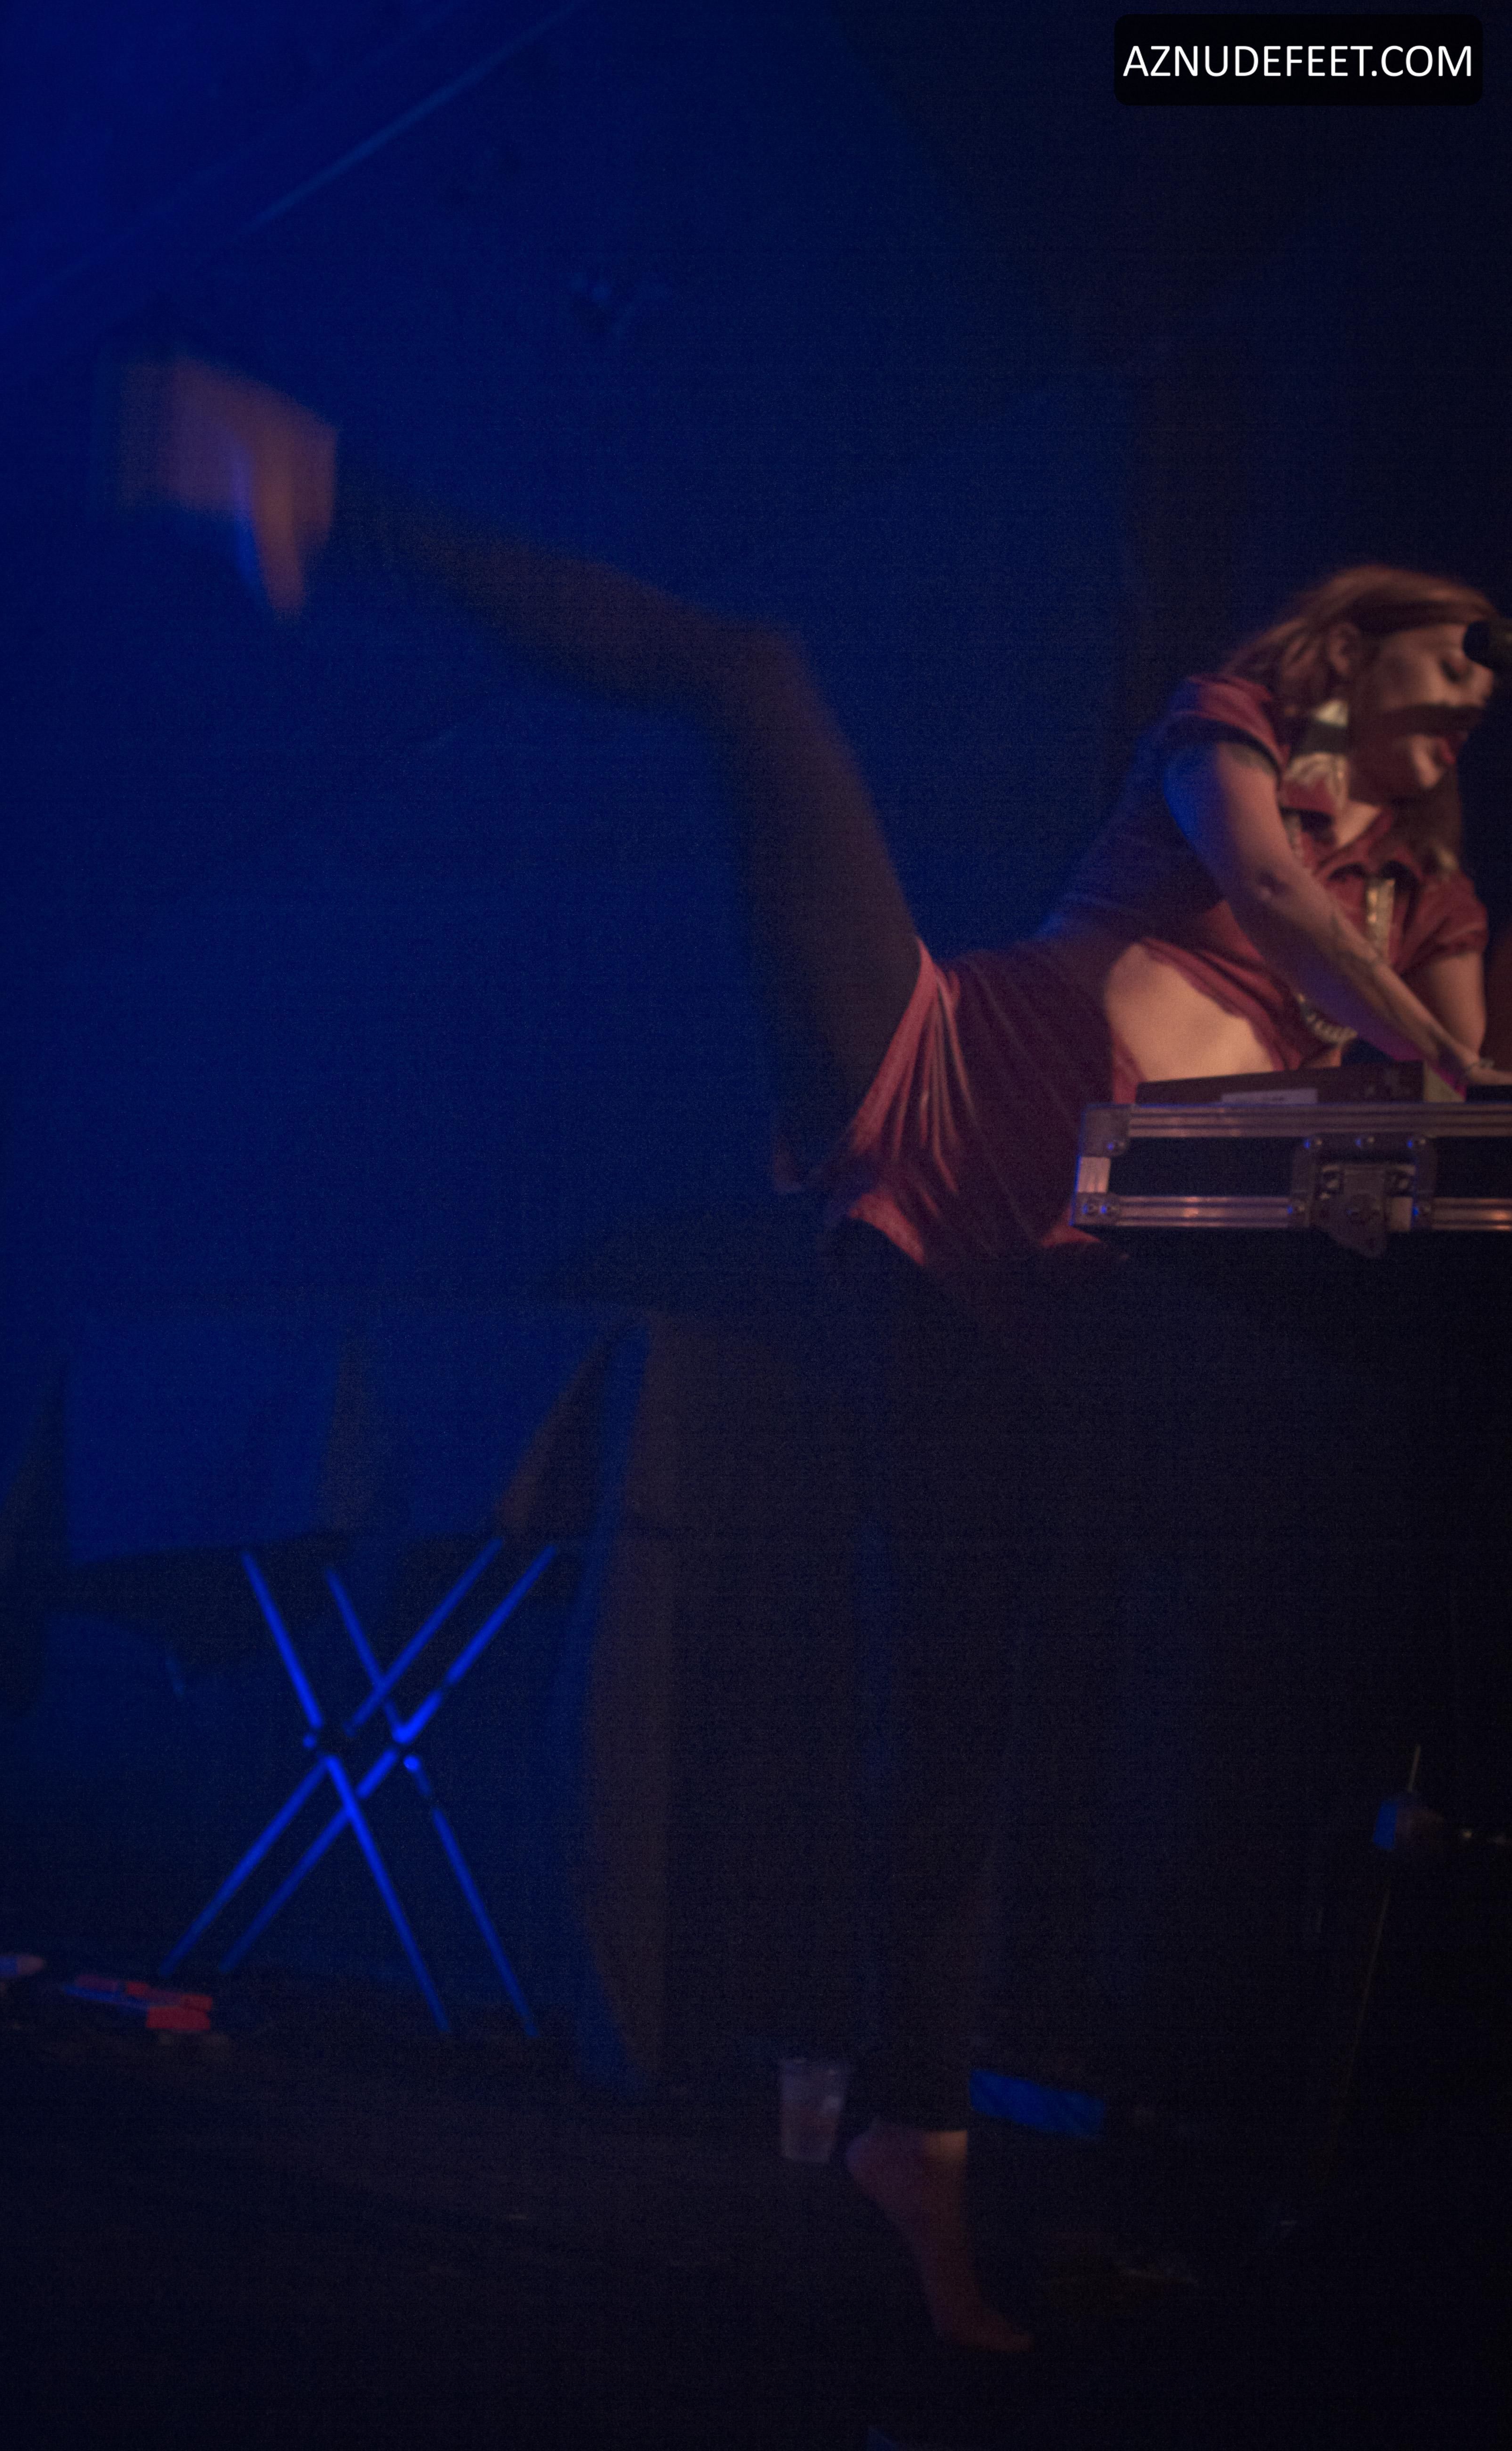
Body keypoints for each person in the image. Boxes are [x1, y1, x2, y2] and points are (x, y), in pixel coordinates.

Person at [122, 357, 1506, 2351]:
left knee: (955, 1726)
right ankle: (335, 497)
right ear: (1354, 652)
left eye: (1489, 692)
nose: (1472, 698)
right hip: (937, 1074)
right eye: (1451, 659)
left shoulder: (1438, 901)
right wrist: (1430, 1049)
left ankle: (909, 2156)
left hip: (1044, 1272)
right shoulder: (1234, 736)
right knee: (753, 676)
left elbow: (1466, 1105)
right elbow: (1281, 909)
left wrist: (1446, 1053)